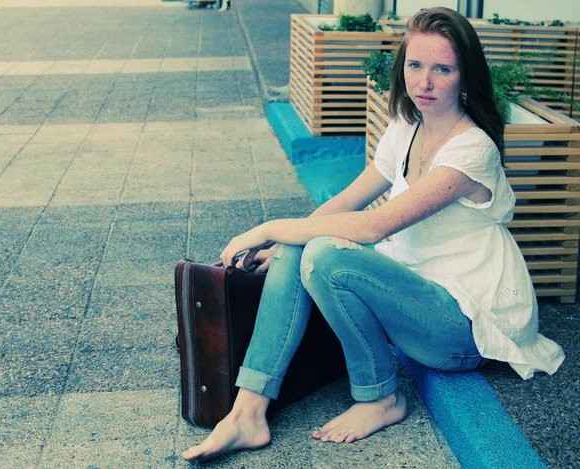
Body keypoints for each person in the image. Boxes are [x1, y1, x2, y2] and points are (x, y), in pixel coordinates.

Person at [182, 7, 565, 462]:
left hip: (464, 327)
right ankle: (248, 410)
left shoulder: (472, 148)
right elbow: (347, 201)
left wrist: (267, 228)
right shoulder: (407, 127)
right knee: (303, 243)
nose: (424, 81)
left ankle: (381, 398)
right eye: (416, 65)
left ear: (466, 77)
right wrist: (284, 244)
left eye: (442, 69)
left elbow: (374, 226)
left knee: (323, 252)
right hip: (414, 298)